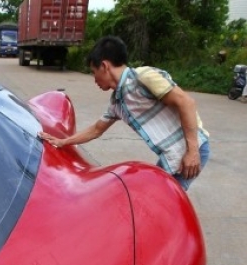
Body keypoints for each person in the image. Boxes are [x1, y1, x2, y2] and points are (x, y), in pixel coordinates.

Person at [38, 36, 209, 191]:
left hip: (191, 151)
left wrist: (192, 152)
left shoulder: (144, 77)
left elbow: (186, 103)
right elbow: (96, 130)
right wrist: (62, 142)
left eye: (94, 72)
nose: (94, 79)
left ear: (104, 66)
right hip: (172, 157)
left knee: (163, 203)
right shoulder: (117, 103)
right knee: (152, 198)